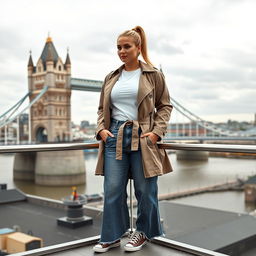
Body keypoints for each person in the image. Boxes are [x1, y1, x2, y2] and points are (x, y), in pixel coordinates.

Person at [93, 26, 173, 253]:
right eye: (118, 47)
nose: (121, 51)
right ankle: (110, 235)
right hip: (114, 136)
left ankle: (143, 232)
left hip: (143, 135)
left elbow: (165, 106)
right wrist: (101, 130)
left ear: (138, 48)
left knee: (145, 190)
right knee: (112, 189)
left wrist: (157, 133)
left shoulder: (153, 75)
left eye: (126, 46)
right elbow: (102, 109)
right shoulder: (111, 77)